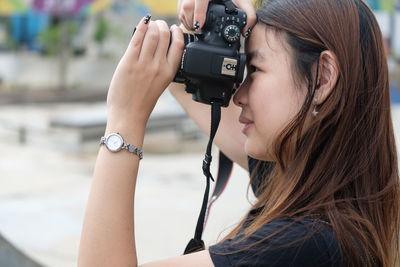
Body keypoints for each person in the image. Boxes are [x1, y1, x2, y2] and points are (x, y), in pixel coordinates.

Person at [78, 0, 400, 266]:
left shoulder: (307, 244)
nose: (238, 94)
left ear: (322, 77)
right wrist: (207, 30)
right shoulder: (324, 191)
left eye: (255, 70)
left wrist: (124, 120)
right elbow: (185, 78)